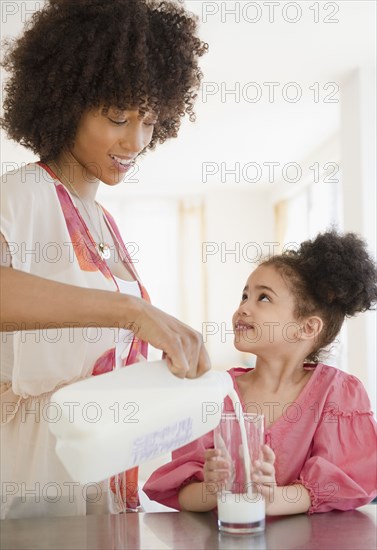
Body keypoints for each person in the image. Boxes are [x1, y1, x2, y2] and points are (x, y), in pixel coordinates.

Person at [0, 0, 209, 519]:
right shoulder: (23, 193)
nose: (135, 141)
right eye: (118, 117)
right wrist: (132, 312)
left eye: (149, 120)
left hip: (96, 474)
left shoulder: (102, 221)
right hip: (29, 474)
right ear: (65, 102)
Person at [144, 230, 377, 515]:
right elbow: (184, 495)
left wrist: (271, 498)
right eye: (244, 296)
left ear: (306, 328)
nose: (243, 308)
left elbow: (339, 489)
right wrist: (214, 488)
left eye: (263, 298)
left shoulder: (339, 394)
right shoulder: (214, 393)